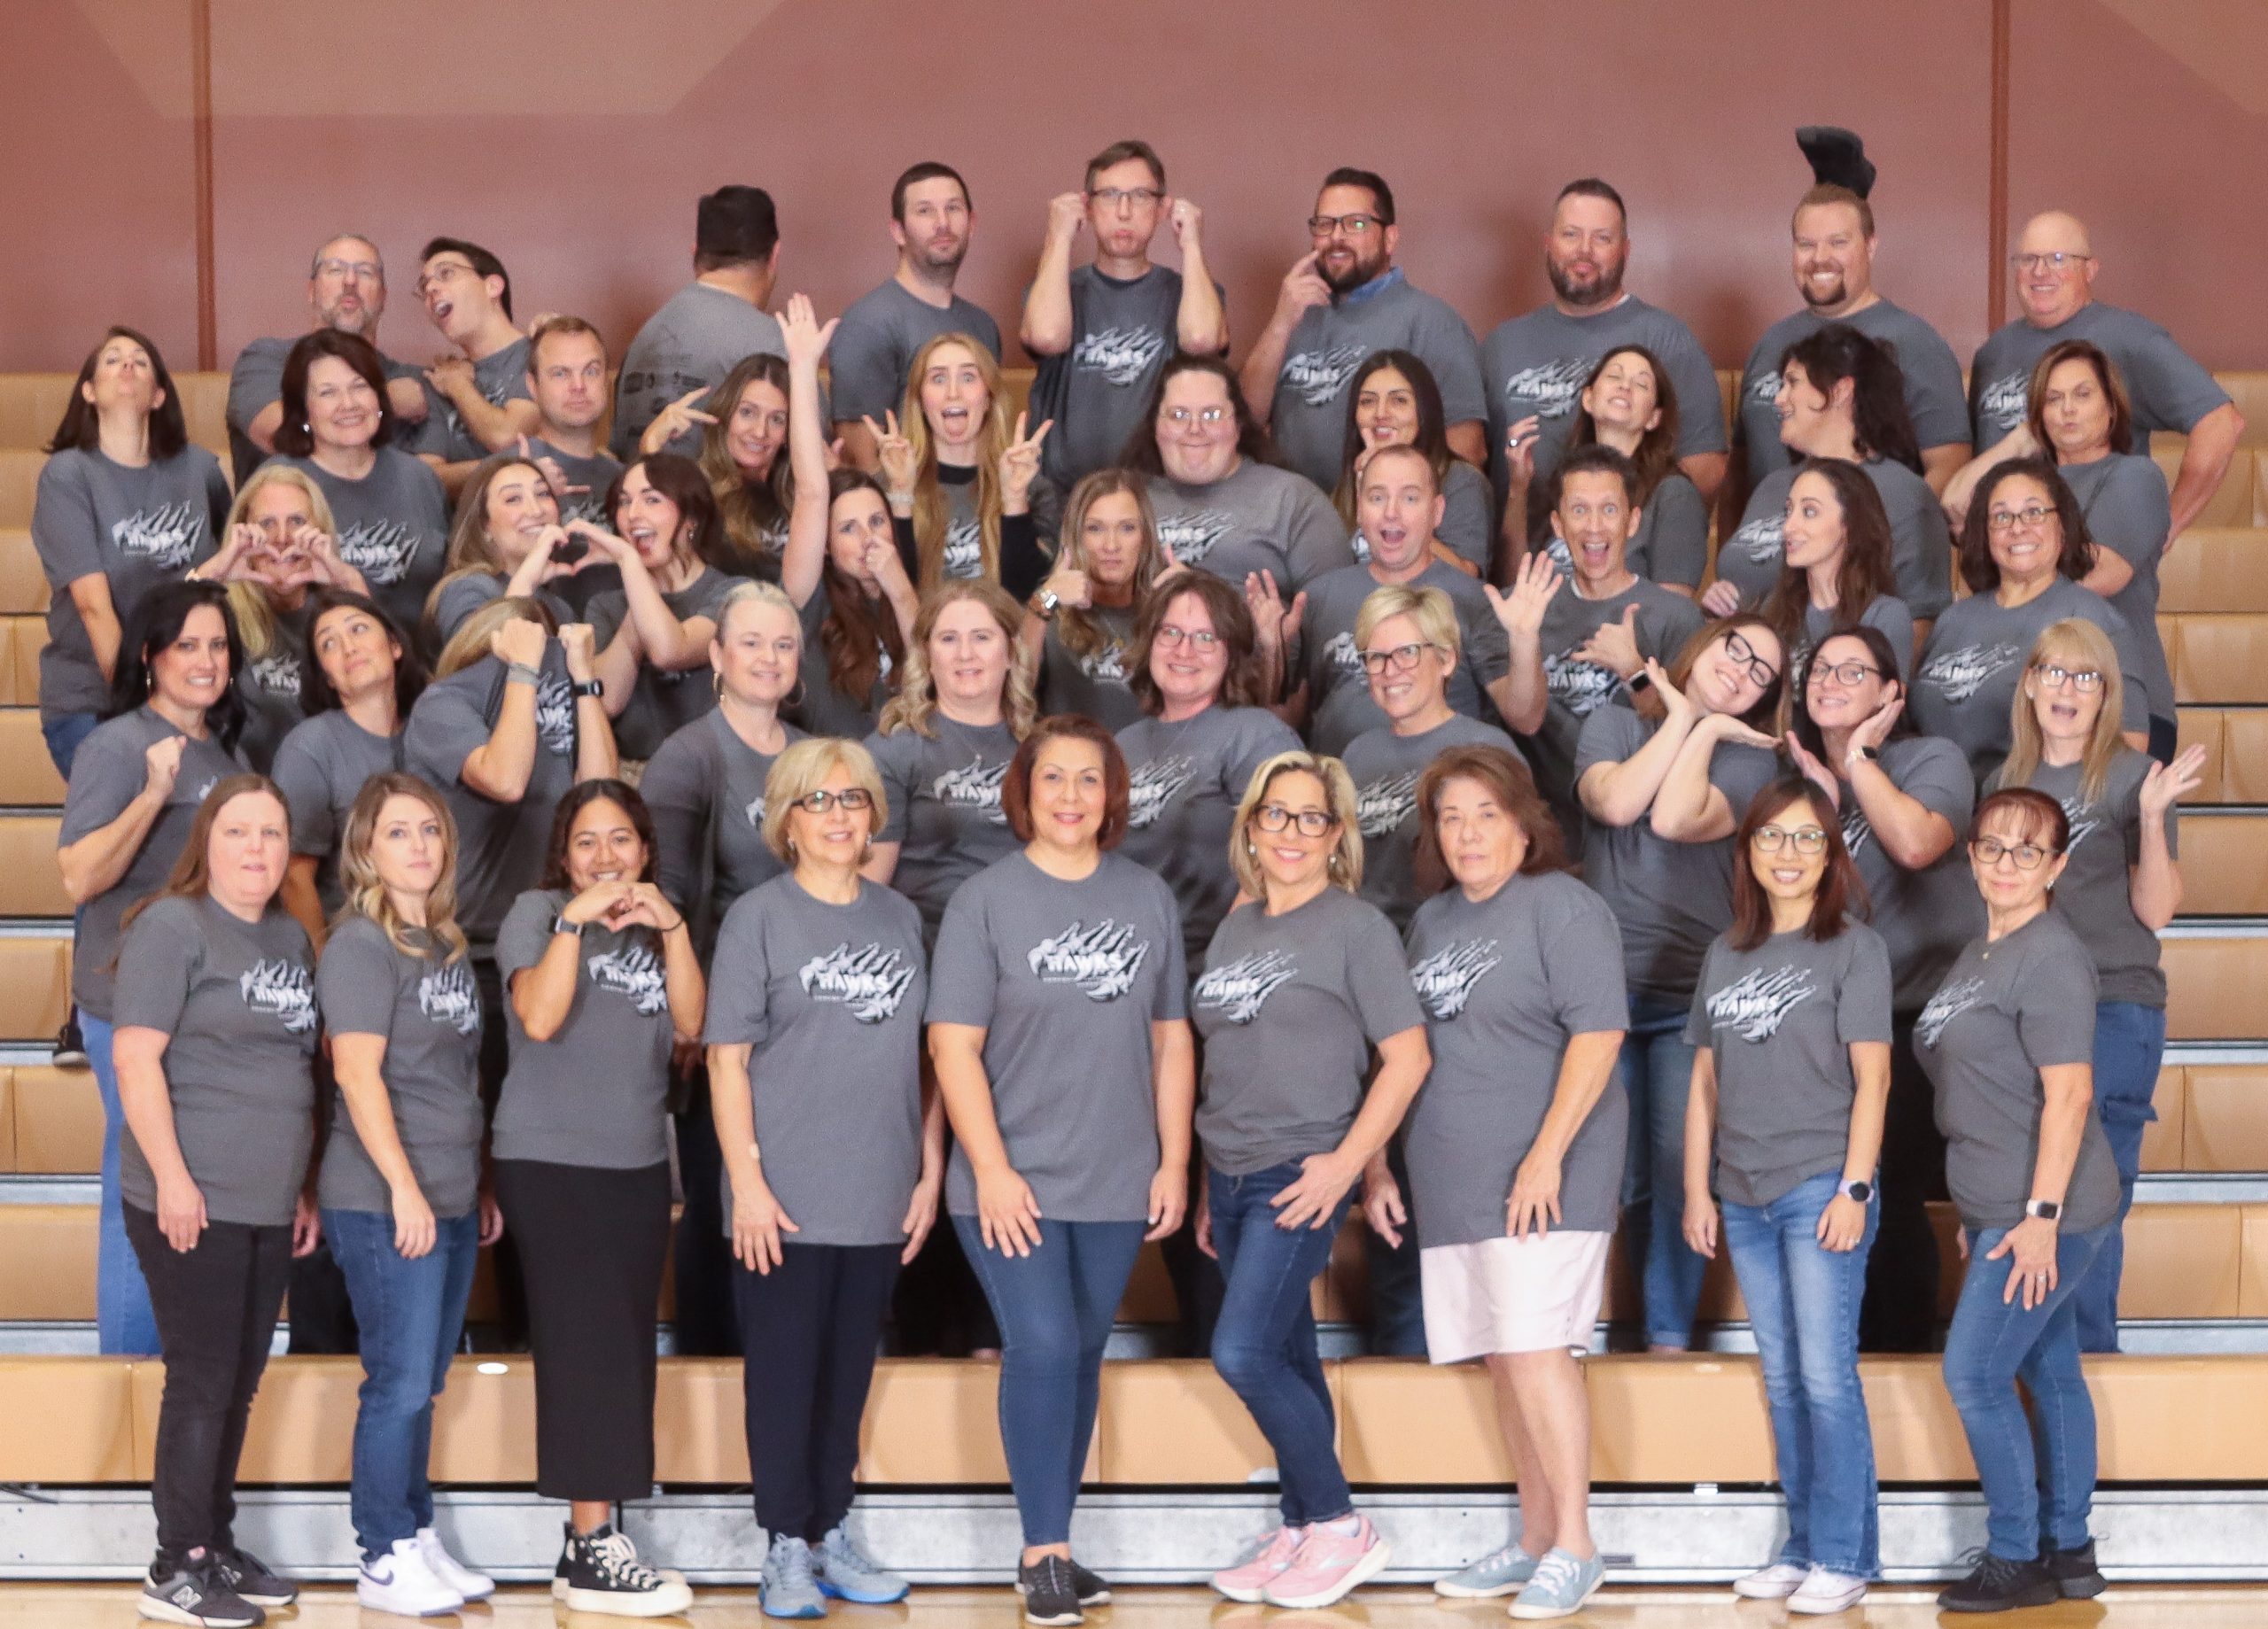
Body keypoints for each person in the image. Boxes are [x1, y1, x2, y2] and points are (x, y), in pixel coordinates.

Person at [929, 717, 1193, 1626]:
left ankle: (1060, 1543)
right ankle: (1042, 1551)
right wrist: (992, 1170)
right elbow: (952, 1047)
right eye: (1054, 779)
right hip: (1012, 1181)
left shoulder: (1147, 897)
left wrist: (1173, 1160)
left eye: (1089, 779)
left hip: (1116, 1176)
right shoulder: (985, 902)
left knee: (1081, 1354)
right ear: (1024, 791)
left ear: (1112, 794)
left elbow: (1170, 1039)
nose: (1072, 796)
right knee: (1040, 1345)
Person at [1390, 746, 1626, 1619]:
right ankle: (1533, 1537)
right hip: (1455, 1177)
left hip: (1543, 1175)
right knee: (1503, 1357)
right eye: (1450, 817)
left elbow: (1598, 1036)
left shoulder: (1563, 908)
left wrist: (1545, 1154)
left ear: (1524, 822)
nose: (1466, 833)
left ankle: (1575, 1544)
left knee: (1535, 1349)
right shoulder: (1433, 923)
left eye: (1485, 813)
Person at [1194, 751, 1427, 1611]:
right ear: (1250, 826)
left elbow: (1405, 1059)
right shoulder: (1235, 925)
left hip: (1300, 1171)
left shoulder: (1356, 929)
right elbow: (1225, 1053)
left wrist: (1347, 1164)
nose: (1291, 832)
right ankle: (1299, 1525)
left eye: (1311, 818)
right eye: (1275, 814)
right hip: (1228, 1171)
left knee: (1241, 1351)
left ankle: (1339, 1522)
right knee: (1288, 1351)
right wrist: (1203, 1186)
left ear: (1337, 837)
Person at [706, 738, 934, 1617]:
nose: (839, 816)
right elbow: (726, 1065)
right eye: (818, 802)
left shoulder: (900, 919)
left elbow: (920, 1058)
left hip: (874, 1187)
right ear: (786, 822)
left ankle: (832, 1529)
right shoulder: (757, 919)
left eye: (853, 800)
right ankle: (782, 1546)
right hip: (783, 1197)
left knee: (846, 1374)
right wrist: (749, 1186)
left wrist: (921, 1173)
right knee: (784, 1374)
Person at [1682, 778, 1892, 1617]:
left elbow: (1874, 1080)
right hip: (1743, 1191)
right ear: (1750, 851)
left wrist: (1855, 1186)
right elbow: (1702, 1081)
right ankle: (1804, 1545)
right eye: (1773, 837)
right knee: (1783, 1379)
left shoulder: (1854, 948)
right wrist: (1698, 1187)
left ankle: (1845, 1553)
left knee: (1826, 1375)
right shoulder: (1724, 953)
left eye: (1809, 839)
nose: (1789, 854)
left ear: (1832, 853)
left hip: (1819, 1188)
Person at [492, 781, 702, 1617]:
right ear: (564, 852)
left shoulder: (660, 927)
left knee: (621, 1347)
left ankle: (597, 1536)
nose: (607, 856)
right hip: (553, 1163)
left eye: (622, 840)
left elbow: (693, 1022)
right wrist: (576, 920)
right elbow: (538, 1019)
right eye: (588, 841)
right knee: (587, 1348)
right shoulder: (535, 912)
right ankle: (588, 1546)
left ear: (645, 850)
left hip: (639, 1164)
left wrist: (674, 925)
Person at [113, 774, 316, 1629]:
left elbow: (298, 1068)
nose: (257, 850)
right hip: (190, 1196)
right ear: (209, 840)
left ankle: (215, 1543)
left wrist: (301, 1187)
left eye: (272, 834)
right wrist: (171, 1175)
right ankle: (177, 1561)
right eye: (239, 832)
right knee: (201, 1379)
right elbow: (133, 1058)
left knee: (238, 1380)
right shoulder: (174, 926)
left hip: (268, 1200)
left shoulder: (290, 938)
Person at [1919, 787, 2120, 1612]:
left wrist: (2036, 1220)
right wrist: (1983, 1213)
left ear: (2058, 865)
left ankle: (2014, 1555)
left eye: (2028, 850)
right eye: (1993, 847)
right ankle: (2071, 1552)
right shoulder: (1980, 954)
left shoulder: (2052, 955)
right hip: (2000, 1207)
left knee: (1972, 1372)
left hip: (2050, 1211)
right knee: (2049, 1365)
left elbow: (2070, 1095)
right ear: (1971, 855)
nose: (2007, 864)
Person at [1990, 619, 2202, 1353]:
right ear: (2029, 682)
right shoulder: (2003, 781)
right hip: (2028, 1010)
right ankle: (2040, 1368)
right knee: (2035, 1178)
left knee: (2087, 1188)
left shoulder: (2130, 777)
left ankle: (2089, 1358)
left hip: (2113, 1004)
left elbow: (2156, 911)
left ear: (2107, 692)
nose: (2067, 689)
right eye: (2054, 672)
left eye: (2086, 677)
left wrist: (2149, 817)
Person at [1573, 617, 1785, 1350]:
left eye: (1762, 673)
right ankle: (1589, 1334)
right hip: (1594, 999)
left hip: (1683, 1000)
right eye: (1737, 651)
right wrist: (1685, 717)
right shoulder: (1609, 723)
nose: (1744, 671)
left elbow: (1670, 816)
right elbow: (1618, 802)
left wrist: (1701, 728)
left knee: (1673, 1172)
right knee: (1615, 1175)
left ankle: (1666, 1343)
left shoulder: (1751, 763)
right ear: (1705, 645)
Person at [317, 774, 495, 1617]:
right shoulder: (360, 943)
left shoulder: (448, 944)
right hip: (386, 1197)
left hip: (450, 1194)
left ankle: (416, 1533)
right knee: (395, 1380)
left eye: (430, 830)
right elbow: (356, 1072)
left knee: (424, 1380)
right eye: (398, 832)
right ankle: (382, 1552)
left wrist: (474, 1185)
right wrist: (405, 1189)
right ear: (366, 848)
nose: (418, 845)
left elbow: (456, 1077)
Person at [58, 582, 251, 1357]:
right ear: (149, 656)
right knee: (138, 1188)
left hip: (200, 1005)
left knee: (180, 1187)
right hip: (127, 1003)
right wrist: (152, 793)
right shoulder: (118, 744)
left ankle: (178, 1375)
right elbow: (77, 877)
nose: (206, 662)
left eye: (218, 646)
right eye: (187, 646)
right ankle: (132, 1373)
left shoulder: (224, 750)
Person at [1785, 627, 1974, 1352]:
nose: (1830, 679)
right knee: (1829, 1188)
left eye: (1853, 670)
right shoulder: (1800, 781)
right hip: (1830, 1021)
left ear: (1891, 694)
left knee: (1886, 1188)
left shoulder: (1932, 758)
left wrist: (1858, 762)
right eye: (1820, 668)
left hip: (1918, 1018)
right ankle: (1844, 1349)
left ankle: (1895, 1354)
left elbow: (1917, 843)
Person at [641, 579, 810, 1357]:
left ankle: (781, 1357)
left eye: (783, 644)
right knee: (720, 1200)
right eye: (751, 642)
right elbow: (666, 901)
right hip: (722, 1021)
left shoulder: (810, 756)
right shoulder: (691, 754)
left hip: (807, 1025)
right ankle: (713, 1368)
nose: (768, 658)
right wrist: (691, 1018)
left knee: (791, 1194)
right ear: (715, 655)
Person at [402, 599, 617, 1082]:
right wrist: (523, 666)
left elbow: (598, 798)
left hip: (549, 938)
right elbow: (505, 779)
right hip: (465, 945)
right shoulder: (444, 703)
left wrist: (583, 678)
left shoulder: (561, 689)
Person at [1961, 211, 2241, 547]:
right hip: (2006, 559)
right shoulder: (1995, 350)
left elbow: (2222, 423)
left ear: (2090, 270)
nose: (2040, 271)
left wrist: (2166, 527)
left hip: (2095, 557)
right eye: (2028, 259)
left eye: (2059, 259)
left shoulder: (2130, 338)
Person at [35, 326, 231, 777]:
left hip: (194, 691)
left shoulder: (200, 469)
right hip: (95, 700)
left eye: (141, 361)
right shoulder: (68, 475)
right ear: (88, 391)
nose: (127, 365)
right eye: (112, 359)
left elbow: (219, 578)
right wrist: (144, 713)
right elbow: (93, 607)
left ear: (159, 395)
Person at [1977, 343, 2176, 757]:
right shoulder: (2024, 486)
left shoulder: (2134, 474)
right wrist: (2017, 442)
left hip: (2123, 699)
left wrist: (2015, 570)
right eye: (2053, 399)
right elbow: (1956, 505)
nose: (2067, 409)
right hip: (2034, 703)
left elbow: (2100, 576)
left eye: (2082, 395)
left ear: (2112, 408)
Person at [1483, 179, 1728, 504]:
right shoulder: (1502, 345)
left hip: (1625, 551)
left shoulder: (1669, 340)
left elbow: (1707, 467)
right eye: (1571, 234)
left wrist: (1621, 521)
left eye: (1602, 238)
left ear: (1625, 250)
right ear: (1548, 243)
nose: (1584, 250)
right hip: (1522, 549)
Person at [1241, 167, 1486, 490]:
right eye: (1325, 224)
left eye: (1356, 224)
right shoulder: (1296, 316)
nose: (1337, 237)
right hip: (1295, 521)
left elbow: (1467, 449)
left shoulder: (1432, 322)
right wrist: (1280, 323)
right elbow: (1246, 417)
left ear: (1390, 238)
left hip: (1382, 526)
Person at [1913, 459, 2148, 784]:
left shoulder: (2095, 620)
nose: (2018, 527)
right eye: (2001, 516)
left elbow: (2129, 747)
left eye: (2034, 512)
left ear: (2063, 526)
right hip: (1938, 811)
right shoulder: (1953, 620)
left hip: (2026, 819)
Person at [1290, 445, 1529, 757]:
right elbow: (1289, 717)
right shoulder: (1318, 598)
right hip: (1345, 789)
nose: (1392, 512)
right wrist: (1271, 650)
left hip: (1446, 792)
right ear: (1359, 509)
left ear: (1437, 511)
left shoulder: (1474, 599)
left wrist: (1526, 640)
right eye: (1377, 497)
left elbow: (1525, 718)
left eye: (1410, 498)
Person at [1115, 574, 1301, 966]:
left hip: (1222, 966)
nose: (1185, 650)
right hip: (1130, 965)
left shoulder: (1255, 734)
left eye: (1205, 638)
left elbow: (1287, 854)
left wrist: (1224, 960)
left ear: (1230, 653)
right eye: (1171, 632)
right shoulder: (1121, 745)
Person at [1739, 178, 1970, 495]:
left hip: (1868, 540)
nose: (1820, 257)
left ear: (1870, 246)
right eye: (1806, 244)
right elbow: (1740, 473)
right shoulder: (1771, 344)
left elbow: (1949, 467)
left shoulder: (1916, 343)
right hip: (1769, 538)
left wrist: (1887, 531)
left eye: (1838, 242)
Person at [1519, 446, 1705, 835]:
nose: (1594, 527)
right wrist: (1521, 635)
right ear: (1557, 524)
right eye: (1579, 510)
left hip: (1637, 833)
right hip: (1544, 831)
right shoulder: (1526, 608)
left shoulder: (1676, 616)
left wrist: (1634, 672)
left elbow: (1690, 737)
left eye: (1608, 510)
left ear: (1633, 521)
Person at [1709, 326, 1950, 624]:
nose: (1779, 399)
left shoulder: (1903, 494)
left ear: (1839, 391)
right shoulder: (1772, 487)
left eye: (1792, 383)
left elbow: (1919, 623)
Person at [1023, 139, 1228, 488]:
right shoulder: (1058, 288)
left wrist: (1192, 245)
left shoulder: (1189, 293)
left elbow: (1201, 339)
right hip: (1063, 499)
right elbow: (1046, 336)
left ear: (1163, 208)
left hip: (1159, 497)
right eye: (1109, 195)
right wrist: (1058, 237)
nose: (1124, 211)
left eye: (1140, 196)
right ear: (1086, 207)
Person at [1340, 585, 1523, 933]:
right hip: (1367, 945)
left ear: (1446, 659)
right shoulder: (1357, 754)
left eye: (1407, 652)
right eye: (1375, 657)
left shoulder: (1486, 748)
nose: (1389, 671)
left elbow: (1516, 878)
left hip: (1453, 944)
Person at [863, 581, 1035, 941]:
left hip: (1024, 941)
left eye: (982, 637)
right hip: (926, 944)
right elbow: (869, 885)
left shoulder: (1041, 750)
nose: (965, 654)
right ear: (926, 655)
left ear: (1010, 652)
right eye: (949, 639)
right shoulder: (895, 749)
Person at [270, 330, 452, 652]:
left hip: (418, 672)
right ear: (303, 410)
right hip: (315, 675)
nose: (349, 404)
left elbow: (446, 588)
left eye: (359, 387)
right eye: (328, 393)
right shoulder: (279, 484)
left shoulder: (419, 477)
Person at [1128, 353, 1355, 592]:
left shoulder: (1293, 500)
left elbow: (1334, 609)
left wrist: (1270, 627)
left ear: (1238, 425)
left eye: (1212, 415)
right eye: (1178, 415)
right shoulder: (1125, 499)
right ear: (1155, 426)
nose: (1194, 429)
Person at [273, 589, 422, 943]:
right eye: (328, 644)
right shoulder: (311, 745)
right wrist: (326, 968)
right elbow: (294, 876)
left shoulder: (432, 729)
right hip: (355, 947)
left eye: (358, 630)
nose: (348, 648)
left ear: (395, 646)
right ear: (327, 677)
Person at [205, 466, 373, 773]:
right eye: (266, 523)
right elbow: (154, 654)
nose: (282, 538)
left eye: (297, 521)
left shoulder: (339, 610)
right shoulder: (217, 612)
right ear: (242, 534)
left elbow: (382, 696)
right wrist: (212, 575)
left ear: (320, 531)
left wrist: (353, 587)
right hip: (244, 789)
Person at [579, 454, 747, 763]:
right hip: (632, 774)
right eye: (624, 502)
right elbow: (606, 701)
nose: (633, 515)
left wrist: (629, 561)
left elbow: (670, 650)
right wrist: (639, 582)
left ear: (692, 516)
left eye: (652, 500)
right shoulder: (606, 605)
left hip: (713, 770)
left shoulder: (733, 594)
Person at [833, 163, 1001, 471]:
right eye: (925, 211)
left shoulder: (983, 326)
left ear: (972, 223)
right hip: (905, 511)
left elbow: (992, 438)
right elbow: (860, 464)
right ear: (898, 231)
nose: (942, 223)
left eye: (953, 208)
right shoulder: (867, 324)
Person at [225, 234, 431, 485]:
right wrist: (386, 401)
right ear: (311, 291)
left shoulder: (411, 380)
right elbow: (279, 433)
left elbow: (430, 480)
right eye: (335, 270)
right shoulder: (266, 360)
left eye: (366, 273)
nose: (350, 281)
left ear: (383, 297)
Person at [866, 333, 1058, 594]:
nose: (953, 393)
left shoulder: (1032, 488)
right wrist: (900, 494)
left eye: (968, 378)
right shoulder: (883, 487)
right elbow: (889, 597)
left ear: (989, 397)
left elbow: (1034, 597)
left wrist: (1014, 501)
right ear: (920, 401)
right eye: (938, 379)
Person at [1510, 345, 1710, 594]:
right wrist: (1518, 488)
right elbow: (1518, 582)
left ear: (1654, 418)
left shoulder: (1674, 494)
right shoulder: (1567, 479)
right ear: (1588, 399)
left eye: (1641, 385)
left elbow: (1671, 613)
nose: (1625, 386)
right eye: (1614, 377)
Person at [611, 185, 787, 458]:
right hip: (723, 501)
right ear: (774, 256)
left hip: (635, 495)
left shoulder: (643, 339)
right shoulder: (774, 341)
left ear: (695, 254)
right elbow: (810, 455)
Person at [1024, 469, 1170, 730]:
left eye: (1126, 528)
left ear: (1145, 536)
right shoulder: (1048, 609)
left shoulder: (1167, 611)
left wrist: (1188, 601)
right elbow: (1015, 693)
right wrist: (1046, 599)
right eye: (1095, 528)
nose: (1111, 545)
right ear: (1076, 536)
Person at [1753, 459, 1916, 687]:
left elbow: (1884, 713)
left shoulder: (1884, 615)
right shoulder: (1776, 607)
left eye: (1809, 512)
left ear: (1849, 524)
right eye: (1789, 511)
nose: (1788, 527)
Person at [1332, 351, 1495, 573]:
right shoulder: (1349, 482)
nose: (1380, 413)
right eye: (1367, 401)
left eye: (1399, 400)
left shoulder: (1461, 480)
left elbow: (1467, 577)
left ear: (1423, 410)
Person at [411, 236, 539, 490]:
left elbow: (506, 436)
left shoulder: (540, 355)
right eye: (424, 285)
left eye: (446, 274)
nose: (431, 289)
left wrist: (459, 387)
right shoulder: (443, 377)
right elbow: (427, 478)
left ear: (492, 286)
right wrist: (507, 466)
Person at [424, 453, 587, 645]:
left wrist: (627, 559)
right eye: (513, 499)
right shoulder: (465, 589)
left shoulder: (559, 606)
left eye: (543, 494)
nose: (536, 510)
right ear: (484, 525)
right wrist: (526, 582)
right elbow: (478, 664)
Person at [687, 353, 795, 577]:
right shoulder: (695, 489)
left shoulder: (801, 492)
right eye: (747, 413)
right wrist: (650, 449)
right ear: (726, 415)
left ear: (789, 432)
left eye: (777, 419)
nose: (759, 432)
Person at [521, 314, 625, 532]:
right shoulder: (506, 473)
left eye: (591, 371)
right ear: (533, 386)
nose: (578, 386)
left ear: (606, 380)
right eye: (560, 374)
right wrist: (527, 497)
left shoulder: (625, 479)